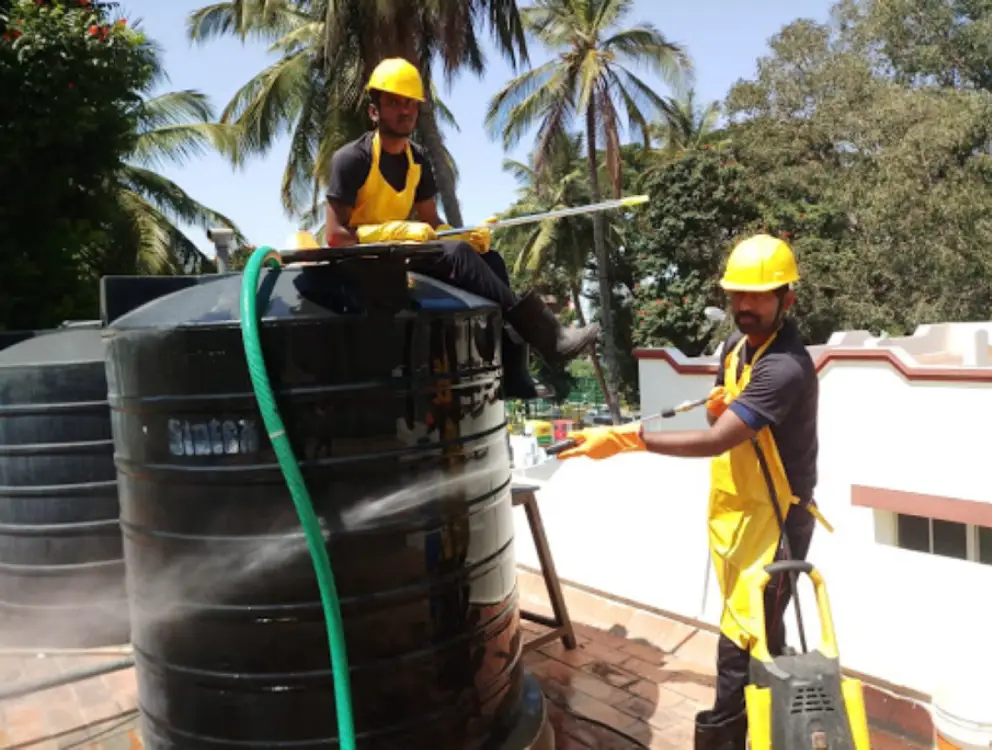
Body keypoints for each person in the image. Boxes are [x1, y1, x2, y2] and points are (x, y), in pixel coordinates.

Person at [556, 234, 830, 749]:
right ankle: (774, 734)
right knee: (760, 643)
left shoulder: (785, 366)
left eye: (758, 296)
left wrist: (623, 439)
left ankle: (728, 738)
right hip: (736, 518)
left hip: (777, 527)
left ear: (786, 300)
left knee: (738, 650)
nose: (744, 306)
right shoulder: (736, 349)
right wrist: (716, 405)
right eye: (737, 295)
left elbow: (716, 440)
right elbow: (717, 417)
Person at [322, 57, 600, 399]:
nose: (404, 110)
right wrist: (390, 232)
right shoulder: (352, 159)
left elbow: (431, 222)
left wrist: (463, 233)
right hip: (363, 261)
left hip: (401, 253)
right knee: (456, 254)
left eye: (409, 102)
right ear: (374, 111)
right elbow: (335, 235)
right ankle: (550, 338)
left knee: (490, 260)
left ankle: (514, 372)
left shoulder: (418, 160)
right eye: (394, 102)